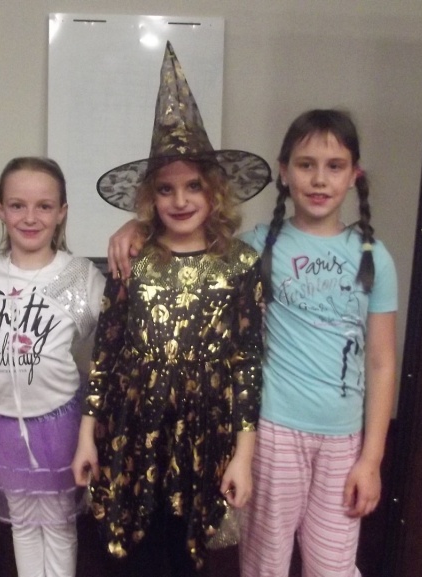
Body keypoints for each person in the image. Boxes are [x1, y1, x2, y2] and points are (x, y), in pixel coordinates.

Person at [108, 109, 399, 577]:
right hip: (274, 432)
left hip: (344, 440)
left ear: (354, 175)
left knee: (333, 567)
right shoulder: (254, 248)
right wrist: (137, 228)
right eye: (305, 165)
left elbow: (382, 363)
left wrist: (372, 458)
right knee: (266, 564)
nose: (319, 179)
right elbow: (190, 234)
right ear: (284, 172)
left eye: (334, 166)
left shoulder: (374, 257)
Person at [71, 42, 270, 576]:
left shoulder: (241, 264)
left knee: (185, 556)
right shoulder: (133, 259)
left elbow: (247, 364)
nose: (180, 200)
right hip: (132, 431)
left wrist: (244, 454)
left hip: (205, 437)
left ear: (215, 192)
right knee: (133, 555)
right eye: (166, 189)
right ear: (150, 198)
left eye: (193, 186)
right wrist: (88, 435)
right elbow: (106, 354)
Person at [0, 157, 105, 577]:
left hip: (58, 423)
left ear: (62, 212)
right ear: (0, 209)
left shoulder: (81, 277)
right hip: (1, 425)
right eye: (18, 205)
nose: (30, 218)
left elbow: (108, 347)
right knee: (23, 523)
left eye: (44, 206)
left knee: (59, 523)